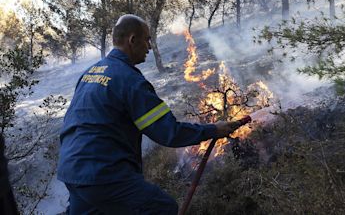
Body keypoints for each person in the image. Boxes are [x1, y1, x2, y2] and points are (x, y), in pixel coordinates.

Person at [57, 14, 241, 214]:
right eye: (147, 39)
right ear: (132, 40)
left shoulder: (91, 72)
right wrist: (212, 129)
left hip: (71, 170)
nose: (150, 47)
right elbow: (168, 132)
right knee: (163, 208)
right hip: (102, 174)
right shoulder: (129, 80)